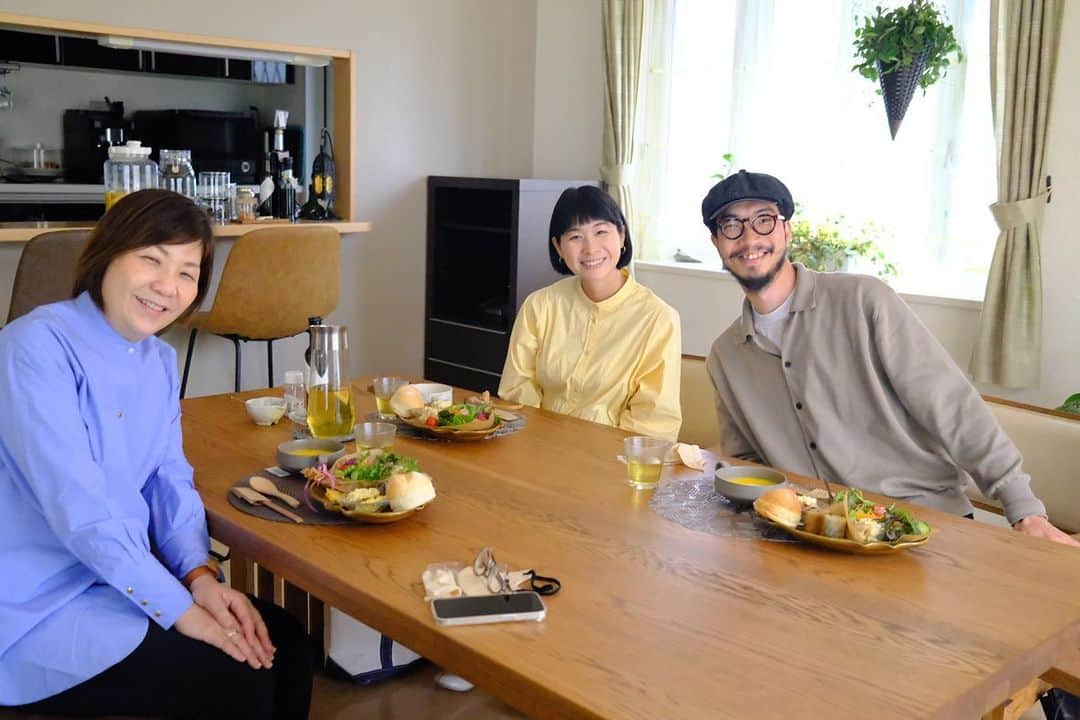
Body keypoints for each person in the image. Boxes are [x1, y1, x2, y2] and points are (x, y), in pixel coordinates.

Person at [0, 190, 313, 718]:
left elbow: (169, 480)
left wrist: (201, 579)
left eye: (188, 272)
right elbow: (81, 514)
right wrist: (180, 611)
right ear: (107, 255)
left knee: (287, 645)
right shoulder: (34, 346)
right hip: (39, 606)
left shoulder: (158, 362)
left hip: (119, 581)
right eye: (151, 259)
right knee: (235, 679)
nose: (168, 287)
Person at [702, 170, 1079, 547]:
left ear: (786, 231)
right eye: (731, 225)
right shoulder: (725, 357)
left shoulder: (865, 301)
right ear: (717, 242)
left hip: (920, 524)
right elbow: (747, 466)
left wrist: (1024, 509)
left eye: (764, 220)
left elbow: (951, 406)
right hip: (814, 534)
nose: (749, 238)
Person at [499, 185, 682, 441]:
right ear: (559, 247)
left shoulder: (658, 319)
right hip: (539, 447)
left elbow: (653, 422)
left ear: (621, 235)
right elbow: (516, 390)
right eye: (575, 237)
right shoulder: (540, 305)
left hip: (613, 461)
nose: (590, 248)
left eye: (601, 232)